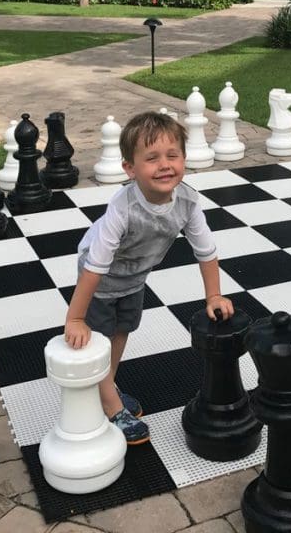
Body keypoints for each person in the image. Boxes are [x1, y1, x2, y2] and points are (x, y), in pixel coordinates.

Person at [64, 111, 234, 444]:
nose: (165, 165)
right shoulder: (123, 207)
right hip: (99, 278)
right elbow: (96, 265)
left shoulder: (187, 201)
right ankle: (112, 407)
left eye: (173, 155)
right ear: (130, 168)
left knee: (122, 330)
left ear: (184, 158)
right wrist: (76, 317)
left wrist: (213, 295)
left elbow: (206, 250)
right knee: (95, 339)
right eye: (152, 158)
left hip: (135, 277)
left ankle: (105, 387)